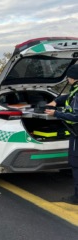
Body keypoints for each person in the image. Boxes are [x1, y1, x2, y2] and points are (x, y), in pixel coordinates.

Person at [45, 64, 78, 205]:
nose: (67, 79)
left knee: (76, 164)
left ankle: (77, 197)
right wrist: (56, 101)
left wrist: (56, 113)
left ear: (73, 77)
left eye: (68, 77)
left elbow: (76, 116)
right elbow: (68, 97)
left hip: (77, 134)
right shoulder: (75, 90)